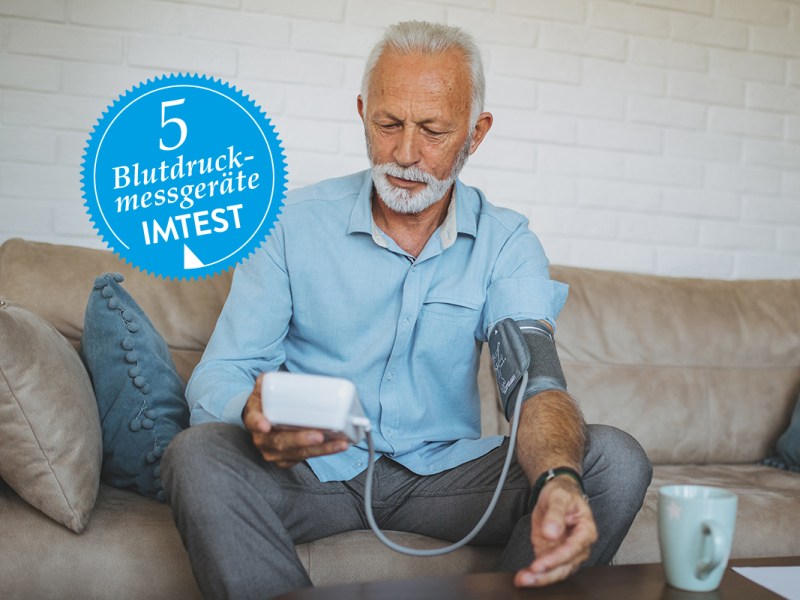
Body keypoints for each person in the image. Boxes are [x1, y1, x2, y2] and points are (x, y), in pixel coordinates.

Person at [162, 20, 652, 600]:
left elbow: (535, 386)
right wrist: (255, 415)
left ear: (477, 134)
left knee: (611, 461)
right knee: (196, 454)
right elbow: (223, 370)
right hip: (314, 468)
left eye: (435, 131)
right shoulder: (287, 224)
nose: (405, 154)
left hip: (443, 477)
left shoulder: (507, 241)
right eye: (388, 124)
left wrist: (558, 479)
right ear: (363, 111)